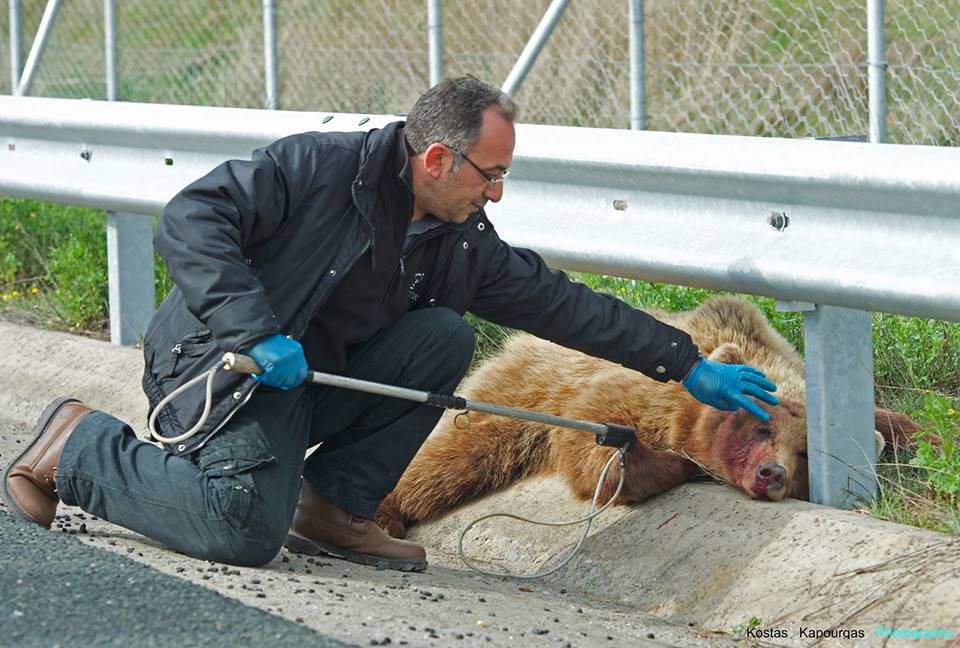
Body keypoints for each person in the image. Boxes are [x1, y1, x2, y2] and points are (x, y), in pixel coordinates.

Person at [2, 75, 778, 572]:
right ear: (438, 160)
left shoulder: (461, 240)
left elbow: (561, 304)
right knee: (239, 531)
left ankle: (331, 505)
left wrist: (685, 363)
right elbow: (191, 218)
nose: (498, 195)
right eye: (492, 175)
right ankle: (78, 444)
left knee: (443, 335)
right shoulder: (317, 169)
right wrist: (249, 329)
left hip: (306, 380)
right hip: (224, 367)